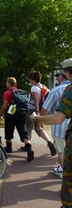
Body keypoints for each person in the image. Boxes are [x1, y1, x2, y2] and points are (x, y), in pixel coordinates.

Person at [29, 58, 72, 208]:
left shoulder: (66, 90)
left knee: (63, 157)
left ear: (67, 74)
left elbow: (58, 118)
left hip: (62, 130)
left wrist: (37, 118)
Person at [40, 70, 70, 178]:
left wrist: (38, 119)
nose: (57, 79)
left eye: (58, 77)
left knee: (62, 152)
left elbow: (45, 110)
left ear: (64, 76)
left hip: (60, 127)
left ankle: (64, 174)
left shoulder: (56, 90)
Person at [0, 77, 34, 161]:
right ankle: (29, 148)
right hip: (22, 114)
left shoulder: (7, 92)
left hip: (11, 114)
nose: (6, 84)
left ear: (9, 83)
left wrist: (1, 113)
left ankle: (9, 147)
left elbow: (5, 106)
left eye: (6, 82)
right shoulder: (21, 92)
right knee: (23, 131)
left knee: (9, 130)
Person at [23, 70, 56, 156]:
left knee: (28, 127)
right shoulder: (42, 86)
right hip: (40, 110)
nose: (29, 81)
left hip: (32, 110)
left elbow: (36, 100)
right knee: (39, 128)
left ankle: (28, 146)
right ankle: (49, 143)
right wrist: (40, 113)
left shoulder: (34, 88)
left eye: (30, 79)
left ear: (33, 79)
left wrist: (36, 112)